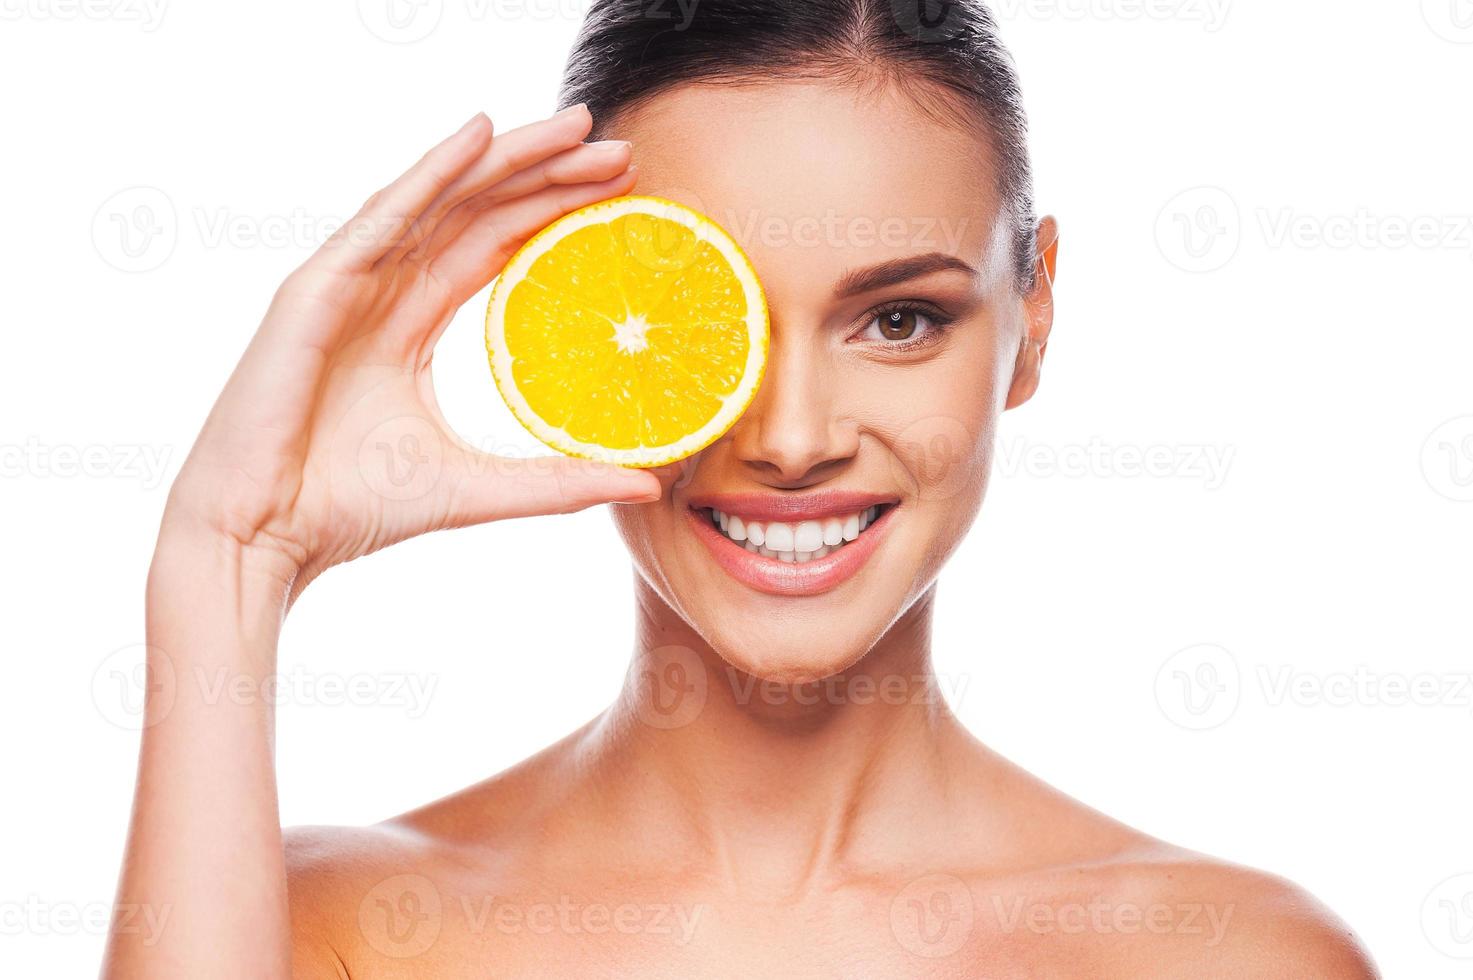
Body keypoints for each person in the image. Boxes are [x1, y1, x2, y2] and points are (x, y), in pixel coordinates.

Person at [104, 1, 1379, 975]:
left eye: (897, 319)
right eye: (702, 325)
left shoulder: (1227, 952)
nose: (791, 436)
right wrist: (228, 553)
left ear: (1033, 315)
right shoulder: (332, 928)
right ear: (580, 319)